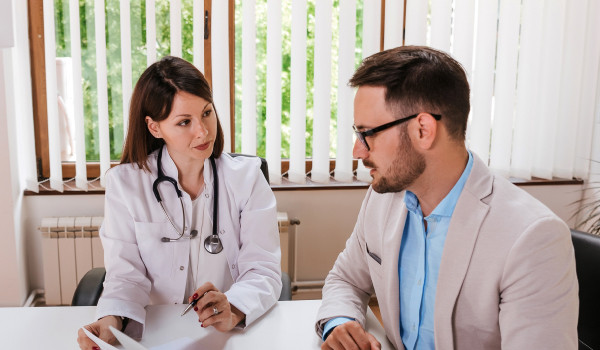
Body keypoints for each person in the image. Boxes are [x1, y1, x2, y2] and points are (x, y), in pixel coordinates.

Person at [315, 46, 578, 350]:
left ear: (423, 130)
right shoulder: (382, 199)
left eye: (367, 133)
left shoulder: (532, 237)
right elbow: (345, 279)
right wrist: (340, 323)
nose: (358, 151)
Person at [77, 56, 282, 349]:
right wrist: (111, 323)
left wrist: (233, 308)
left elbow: (263, 269)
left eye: (207, 113)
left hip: (226, 335)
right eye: (184, 122)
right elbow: (125, 276)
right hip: (154, 334)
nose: (203, 131)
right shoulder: (125, 184)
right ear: (155, 127)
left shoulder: (246, 178)